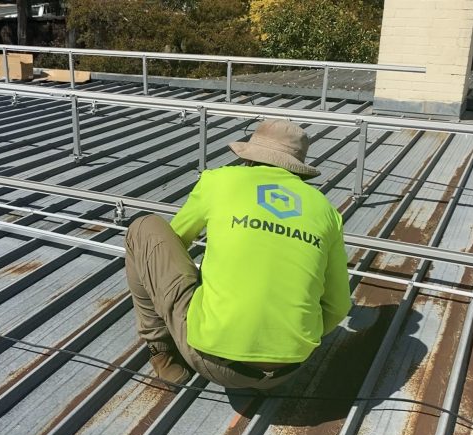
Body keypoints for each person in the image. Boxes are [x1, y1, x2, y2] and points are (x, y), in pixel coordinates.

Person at [124, 119, 351, 391]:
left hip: (212, 361)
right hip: (289, 368)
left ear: (249, 158)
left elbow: (173, 243)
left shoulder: (220, 180)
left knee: (143, 228)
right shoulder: (326, 210)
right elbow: (338, 306)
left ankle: (161, 351)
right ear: (298, 168)